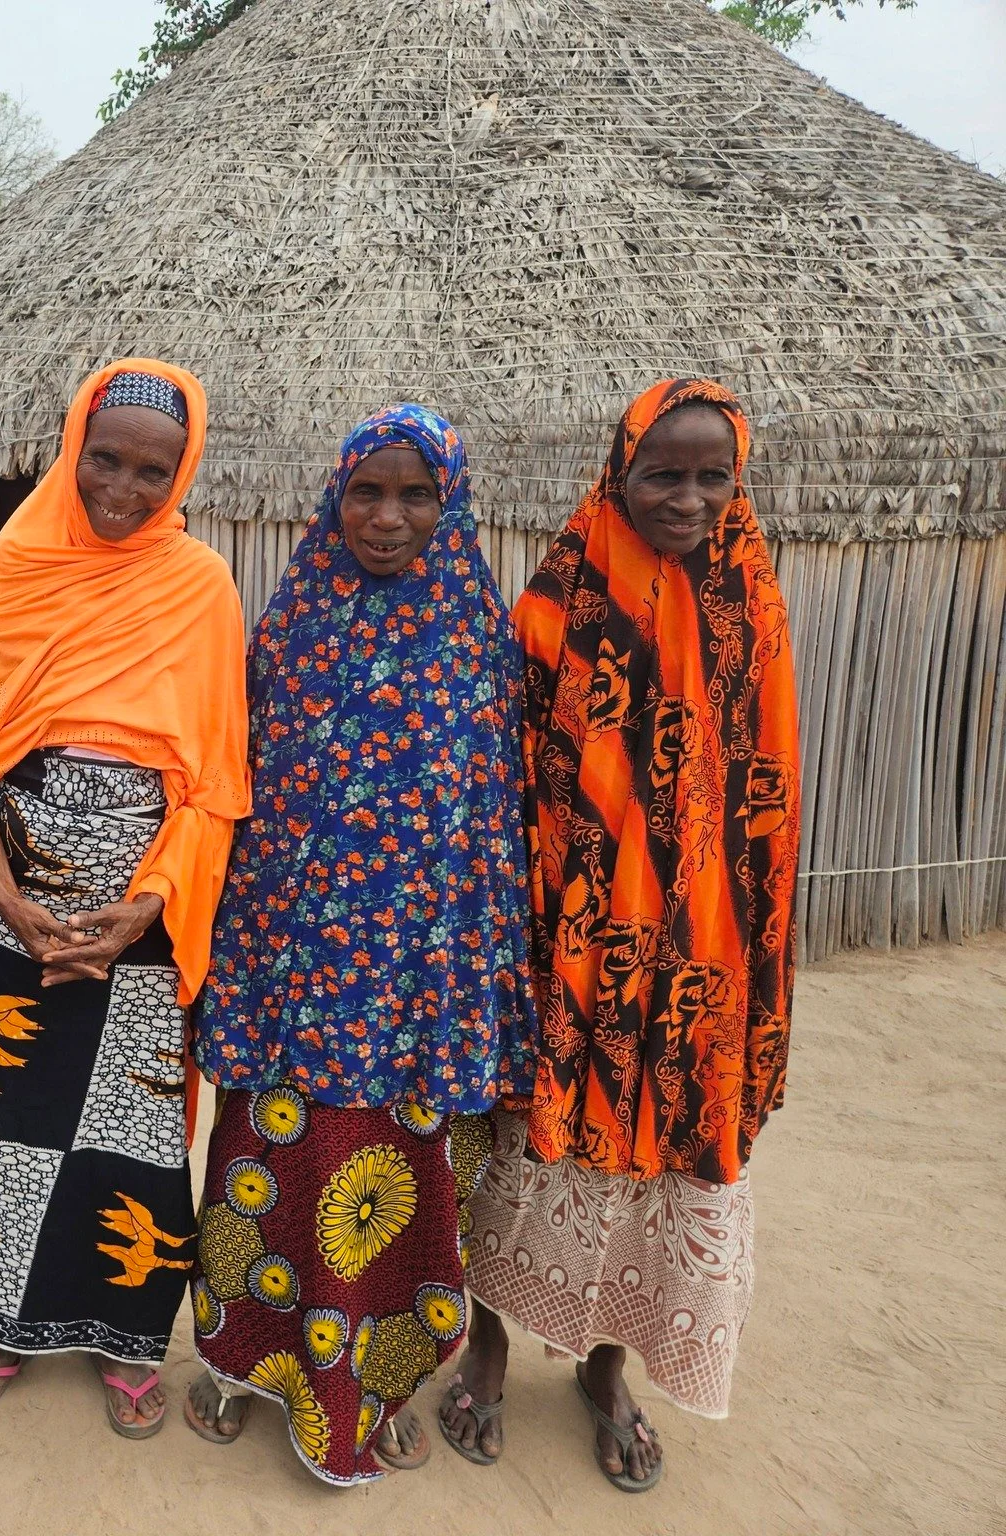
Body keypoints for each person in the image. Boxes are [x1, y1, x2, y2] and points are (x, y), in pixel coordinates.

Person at [441, 379, 800, 1492]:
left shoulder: (752, 611)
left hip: (701, 956)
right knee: (530, 1151)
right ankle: (488, 1355)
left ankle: (604, 1369)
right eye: (663, 473)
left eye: (710, 477)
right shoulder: (556, 602)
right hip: (569, 943)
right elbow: (506, 787)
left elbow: (769, 797)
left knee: (657, 1166)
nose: (686, 497)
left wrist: (748, 956)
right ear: (617, 471)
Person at [176, 405, 537, 1483]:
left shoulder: (480, 645)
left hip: (413, 1001)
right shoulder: (287, 631)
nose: (385, 517)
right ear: (333, 496)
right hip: (292, 987)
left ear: (450, 502)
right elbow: (246, 806)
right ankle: (243, 1362)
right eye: (365, 492)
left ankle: (372, 1384)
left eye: (413, 494)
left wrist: (465, 994)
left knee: (399, 1190)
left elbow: (489, 843)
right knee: (269, 1174)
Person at [0, 360, 250, 1437]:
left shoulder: (198, 586)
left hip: (141, 913)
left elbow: (212, 779)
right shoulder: (19, 562)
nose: (121, 486)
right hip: (12, 899)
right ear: (71, 447)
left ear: (182, 470)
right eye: (101, 457)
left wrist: (146, 905)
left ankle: (120, 1336)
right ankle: (2, 1327)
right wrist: (4, 895)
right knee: (6, 1122)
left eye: (150, 469)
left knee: (133, 1136)